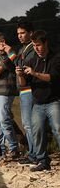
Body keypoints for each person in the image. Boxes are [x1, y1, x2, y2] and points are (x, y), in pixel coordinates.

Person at [16, 30, 60, 172]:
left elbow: (52, 77)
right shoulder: (31, 60)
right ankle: (42, 161)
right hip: (38, 103)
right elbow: (23, 84)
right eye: (34, 46)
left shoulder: (56, 58)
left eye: (39, 45)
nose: (36, 48)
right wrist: (20, 75)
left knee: (58, 129)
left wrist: (34, 73)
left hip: (54, 101)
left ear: (45, 43)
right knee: (37, 131)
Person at [3, 21, 37, 165]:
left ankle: (35, 154)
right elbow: (17, 68)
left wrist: (11, 53)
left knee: (30, 124)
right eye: (18, 34)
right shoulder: (24, 48)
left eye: (22, 33)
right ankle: (33, 153)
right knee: (27, 124)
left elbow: (23, 66)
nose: (20, 36)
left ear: (30, 33)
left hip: (29, 89)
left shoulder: (32, 48)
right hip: (23, 89)